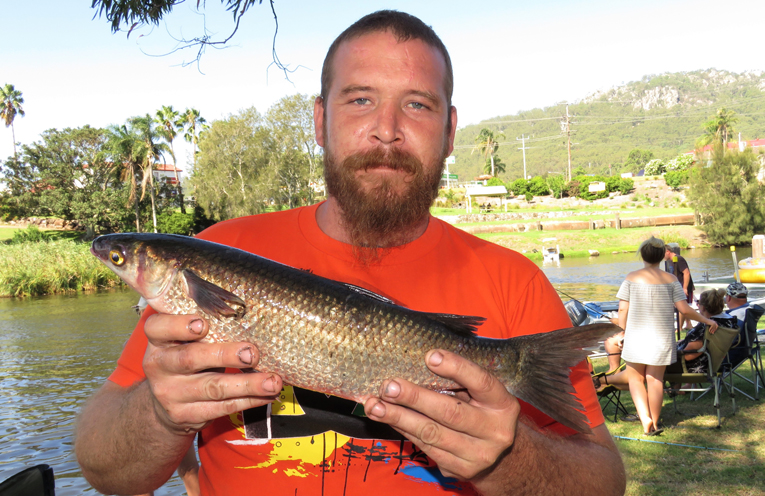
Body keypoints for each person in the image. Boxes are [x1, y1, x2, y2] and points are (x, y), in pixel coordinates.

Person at [74, 11, 626, 496]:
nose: (386, 131)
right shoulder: (222, 250)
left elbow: (603, 483)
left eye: (417, 104)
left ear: (451, 131)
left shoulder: (515, 281)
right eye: (360, 100)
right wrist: (159, 413)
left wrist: (510, 458)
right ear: (320, 120)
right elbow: (109, 472)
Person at [617, 237, 717, 436]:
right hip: (661, 338)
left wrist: (623, 331)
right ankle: (653, 421)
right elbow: (684, 309)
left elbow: (622, 309)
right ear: (661, 256)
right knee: (655, 380)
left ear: (643, 255)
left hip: (636, 337)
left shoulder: (630, 278)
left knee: (636, 380)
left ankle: (644, 417)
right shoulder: (671, 280)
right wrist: (707, 321)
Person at [672, 289, 737, 375]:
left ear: (703, 307)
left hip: (698, 366)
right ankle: (687, 386)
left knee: (661, 360)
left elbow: (689, 354)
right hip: (717, 362)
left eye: (698, 303)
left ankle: (671, 387)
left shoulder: (706, 326)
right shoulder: (729, 321)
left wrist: (674, 351)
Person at [664, 244, 695, 330]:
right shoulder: (670, 261)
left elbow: (686, 273)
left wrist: (684, 288)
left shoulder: (679, 259)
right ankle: (688, 324)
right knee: (683, 307)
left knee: (681, 307)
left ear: (667, 252)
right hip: (677, 287)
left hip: (683, 287)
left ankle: (679, 328)